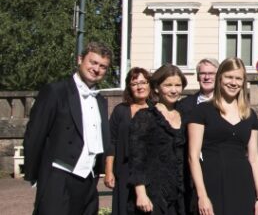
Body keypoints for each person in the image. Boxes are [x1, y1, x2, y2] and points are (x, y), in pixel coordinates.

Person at [23, 41, 114, 215]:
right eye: (93, 62)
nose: (96, 69)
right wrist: (36, 176)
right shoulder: (55, 91)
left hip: (89, 180)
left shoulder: (100, 100)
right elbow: (35, 134)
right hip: (58, 177)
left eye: (103, 66)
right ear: (80, 59)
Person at [186, 58, 258, 215]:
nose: (233, 82)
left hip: (243, 186)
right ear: (220, 78)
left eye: (238, 78)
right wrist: (202, 196)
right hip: (212, 184)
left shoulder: (250, 115)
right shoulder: (202, 111)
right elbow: (193, 157)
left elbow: (254, 158)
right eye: (229, 77)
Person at [129, 64, 188, 215]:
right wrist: (141, 193)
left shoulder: (185, 116)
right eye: (168, 85)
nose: (174, 90)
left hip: (180, 192)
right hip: (153, 193)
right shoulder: (145, 117)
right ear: (156, 87)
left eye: (178, 85)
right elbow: (137, 158)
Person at [107, 67, 152, 215]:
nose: (140, 87)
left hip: (148, 173)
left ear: (149, 85)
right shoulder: (120, 111)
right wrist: (108, 171)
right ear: (129, 87)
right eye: (134, 84)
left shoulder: (156, 111)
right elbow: (111, 141)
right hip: (124, 170)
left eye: (143, 82)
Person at [176, 57, 217, 214]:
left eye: (211, 73)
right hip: (190, 173)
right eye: (203, 73)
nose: (206, 77)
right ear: (198, 76)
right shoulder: (184, 105)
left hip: (217, 169)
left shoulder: (227, 104)